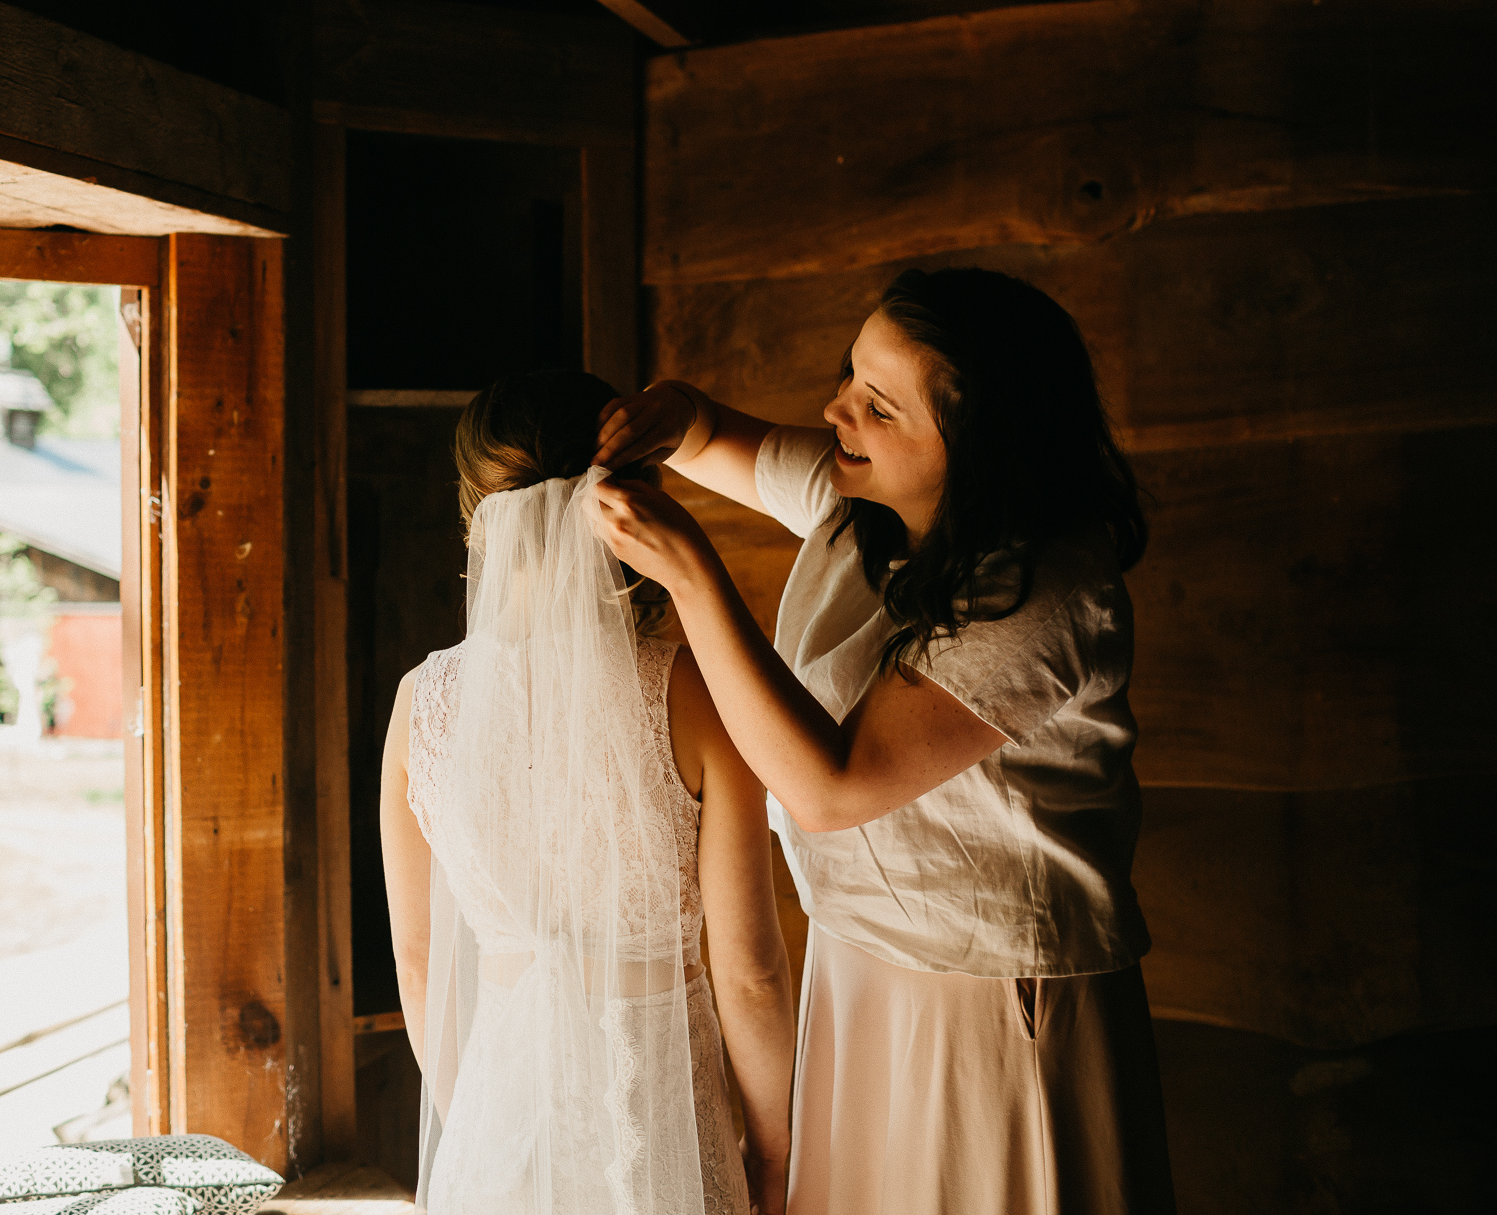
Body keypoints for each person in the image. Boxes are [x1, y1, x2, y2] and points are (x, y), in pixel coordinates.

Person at [591, 269, 1175, 1214]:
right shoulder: (853, 496)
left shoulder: (1046, 594)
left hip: (989, 995)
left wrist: (697, 579)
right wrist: (669, 413)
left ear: (981, 446)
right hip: (860, 964)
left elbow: (829, 786)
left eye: (877, 404)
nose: (835, 411)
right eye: (847, 377)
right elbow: (703, 432)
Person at [379, 371, 798, 1215]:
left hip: (498, 1114)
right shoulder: (693, 692)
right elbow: (749, 971)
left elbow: (422, 968)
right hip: (659, 1122)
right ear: (629, 498)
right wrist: (779, 1149)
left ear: (478, 516)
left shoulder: (420, 704)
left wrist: (474, 1132)